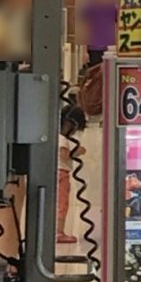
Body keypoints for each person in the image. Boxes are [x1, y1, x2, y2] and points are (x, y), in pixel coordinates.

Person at [56, 103, 87, 244]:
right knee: (62, 204)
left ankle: (57, 231)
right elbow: (64, 155)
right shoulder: (62, 139)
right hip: (61, 173)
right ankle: (59, 232)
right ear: (70, 124)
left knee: (60, 203)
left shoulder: (57, 137)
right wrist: (77, 152)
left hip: (59, 172)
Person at [77, 0, 119, 66]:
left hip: (110, 48)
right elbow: (84, 28)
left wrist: (117, 46)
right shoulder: (90, 5)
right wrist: (84, 51)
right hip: (94, 47)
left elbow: (118, 27)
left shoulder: (114, 7)